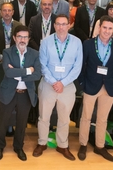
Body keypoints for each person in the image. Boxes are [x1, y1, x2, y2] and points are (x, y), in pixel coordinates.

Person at [34, 14, 83, 160]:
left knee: (64, 118)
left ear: (69, 25)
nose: (61, 27)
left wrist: (63, 83)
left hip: (67, 86)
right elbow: (42, 65)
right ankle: (42, 143)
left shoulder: (76, 42)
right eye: (58, 24)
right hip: (48, 85)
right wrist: (54, 82)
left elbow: (77, 67)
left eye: (64, 24)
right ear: (54, 26)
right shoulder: (46, 42)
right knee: (44, 117)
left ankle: (62, 145)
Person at [78, 16, 113, 162]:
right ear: (99, 28)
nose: (107, 31)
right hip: (90, 85)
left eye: (110, 28)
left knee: (103, 119)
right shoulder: (88, 44)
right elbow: (82, 65)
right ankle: (83, 144)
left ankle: (99, 146)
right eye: (104, 27)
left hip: (109, 87)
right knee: (86, 117)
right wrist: (82, 83)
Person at [0, 26, 41, 161]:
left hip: (25, 94)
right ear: (14, 38)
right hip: (8, 92)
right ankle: (0, 146)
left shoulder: (35, 54)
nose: (22, 40)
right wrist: (28, 71)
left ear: (29, 39)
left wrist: (17, 73)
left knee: (22, 122)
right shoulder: (7, 52)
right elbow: (8, 73)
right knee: (2, 121)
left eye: (25, 37)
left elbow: (37, 75)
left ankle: (18, 147)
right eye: (20, 36)